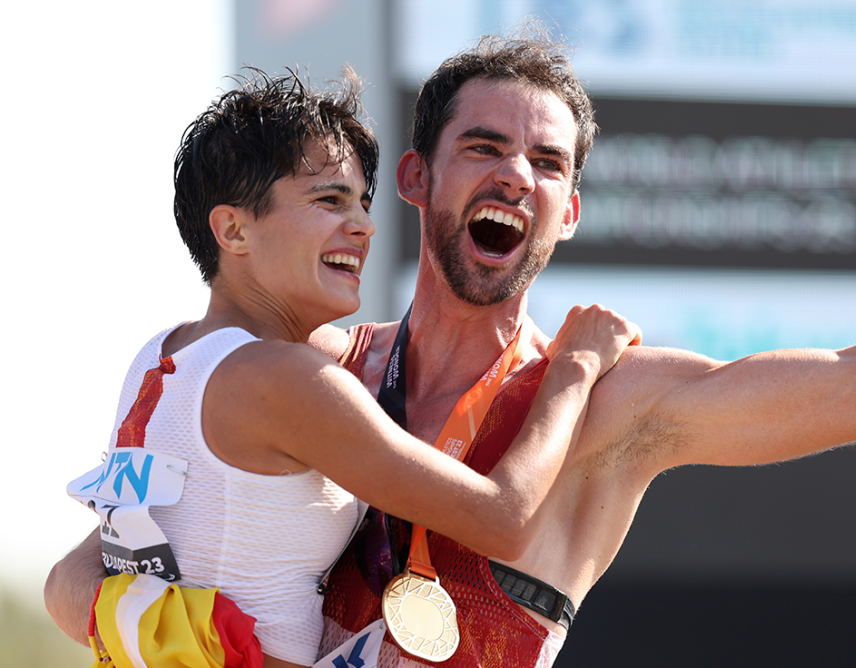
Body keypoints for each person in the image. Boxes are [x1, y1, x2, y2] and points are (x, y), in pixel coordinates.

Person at [47, 0, 856, 668]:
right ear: (414, 178)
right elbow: (104, 556)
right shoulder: (323, 369)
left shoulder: (611, 398)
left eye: (547, 163)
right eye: (483, 147)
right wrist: (159, 633)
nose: (517, 174)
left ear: (569, 212)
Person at [53, 69, 639, 668]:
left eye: (361, 201)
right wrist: (575, 366)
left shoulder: (160, 356)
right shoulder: (289, 380)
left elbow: (75, 575)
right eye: (328, 200)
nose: (363, 225)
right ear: (232, 229)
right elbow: (503, 518)